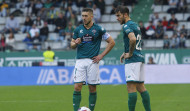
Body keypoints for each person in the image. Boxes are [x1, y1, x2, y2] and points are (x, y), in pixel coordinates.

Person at [70, 8, 115, 111]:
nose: (84, 18)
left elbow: (112, 42)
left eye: (86, 16)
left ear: (91, 16)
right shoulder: (78, 30)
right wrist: (75, 43)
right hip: (80, 61)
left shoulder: (99, 29)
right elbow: (72, 45)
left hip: (93, 61)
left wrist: (101, 55)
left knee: (92, 88)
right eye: (82, 16)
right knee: (77, 87)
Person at [115, 6, 151, 111]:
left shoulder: (126, 26)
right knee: (141, 87)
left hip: (133, 60)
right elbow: (134, 40)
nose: (117, 18)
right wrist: (125, 52)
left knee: (131, 88)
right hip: (140, 57)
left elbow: (133, 39)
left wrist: (130, 53)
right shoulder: (135, 25)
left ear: (125, 14)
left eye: (118, 15)